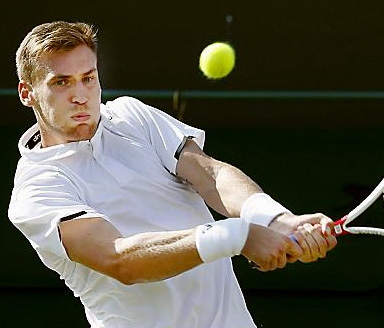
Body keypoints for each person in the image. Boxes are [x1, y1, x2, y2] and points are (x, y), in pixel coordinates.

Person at [8, 21, 337, 328]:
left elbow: (209, 174)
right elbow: (121, 258)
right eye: (61, 82)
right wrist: (237, 236)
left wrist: (275, 219)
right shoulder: (36, 190)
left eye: (88, 77)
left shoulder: (131, 116)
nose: (81, 95)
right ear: (27, 93)